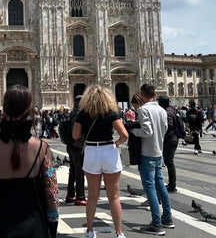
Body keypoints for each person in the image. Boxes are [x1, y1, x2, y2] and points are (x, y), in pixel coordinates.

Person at [0, 85, 59, 237]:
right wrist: (52, 223)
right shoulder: (41, 147)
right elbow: (51, 193)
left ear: (4, 108)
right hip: (34, 227)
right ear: (29, 109)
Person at [72, 85, 128, 238]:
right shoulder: (111, 113)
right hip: (109, 152)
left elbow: (75, 136)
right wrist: (116, 143)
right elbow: (124, 135)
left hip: (91, 152)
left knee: (92, 196)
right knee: (114, 197)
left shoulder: (83, 114)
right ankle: (119, 233)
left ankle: (90, 231)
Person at [131, 84, 174, 235]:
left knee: (150, 188)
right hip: (158, 152)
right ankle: (167, 218)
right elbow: (165, 129)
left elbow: (147, 131)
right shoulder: (162, 110)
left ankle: (156, 224)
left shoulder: (144, 109)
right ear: (155, 94)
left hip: (147, 153)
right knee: (160, 186)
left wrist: (133, 130)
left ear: (142, 95)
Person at [65, 95, 87, 206]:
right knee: (79, 172)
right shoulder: (79, 115)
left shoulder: (71, 113)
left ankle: (70, 195)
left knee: (73, 170)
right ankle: (80, 196)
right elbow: (78, 133)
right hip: (77, 146)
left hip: (70, 145)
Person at [157, 95, 178, 192]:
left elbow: (169, 126)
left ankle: (172, 185)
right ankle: (171, 183)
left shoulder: (168, 112)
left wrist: (160, 133)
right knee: (169, 162)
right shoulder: (171, 110)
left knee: (169, 162)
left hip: (169, 140)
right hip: (172, 139)